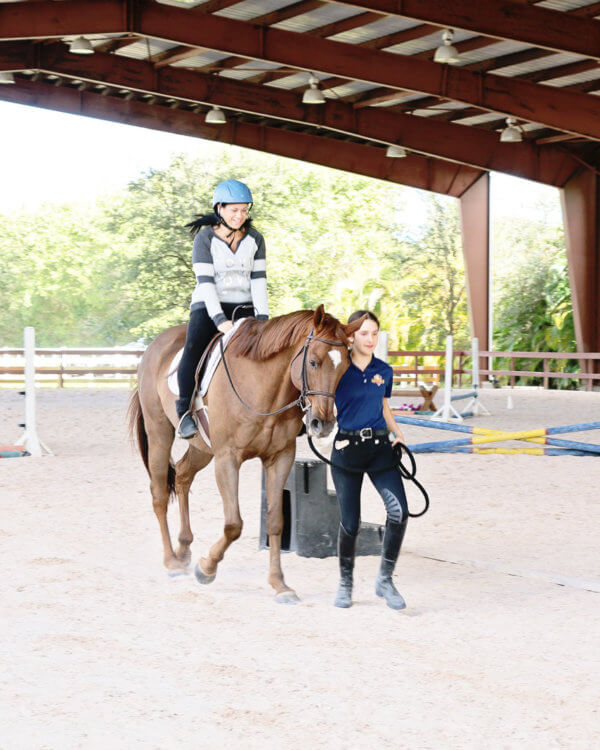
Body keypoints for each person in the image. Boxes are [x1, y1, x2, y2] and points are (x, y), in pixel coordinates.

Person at [176, 179, 269, 439]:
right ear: (219, 208)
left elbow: (258, 281)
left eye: (244, 210)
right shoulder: (204, 239)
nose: (240, 215)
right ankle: (183, 409)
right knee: (193, 347)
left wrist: (263, 319)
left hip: (245, 306)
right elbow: (205, 283)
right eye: (233, 210)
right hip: (208, 306)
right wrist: (218, 319)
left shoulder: (255, 240)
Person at [330, 310, 409, 610]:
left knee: (399, 512)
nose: (370, 339)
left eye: (374, 333)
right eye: (364, 333)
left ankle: (385, 580)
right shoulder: (337, 368)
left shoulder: (384, 371)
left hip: (380, 450)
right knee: (351, 522)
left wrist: (398, 433)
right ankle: (345, 583)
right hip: (346, 451)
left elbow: (384, 407)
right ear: (350, 336)